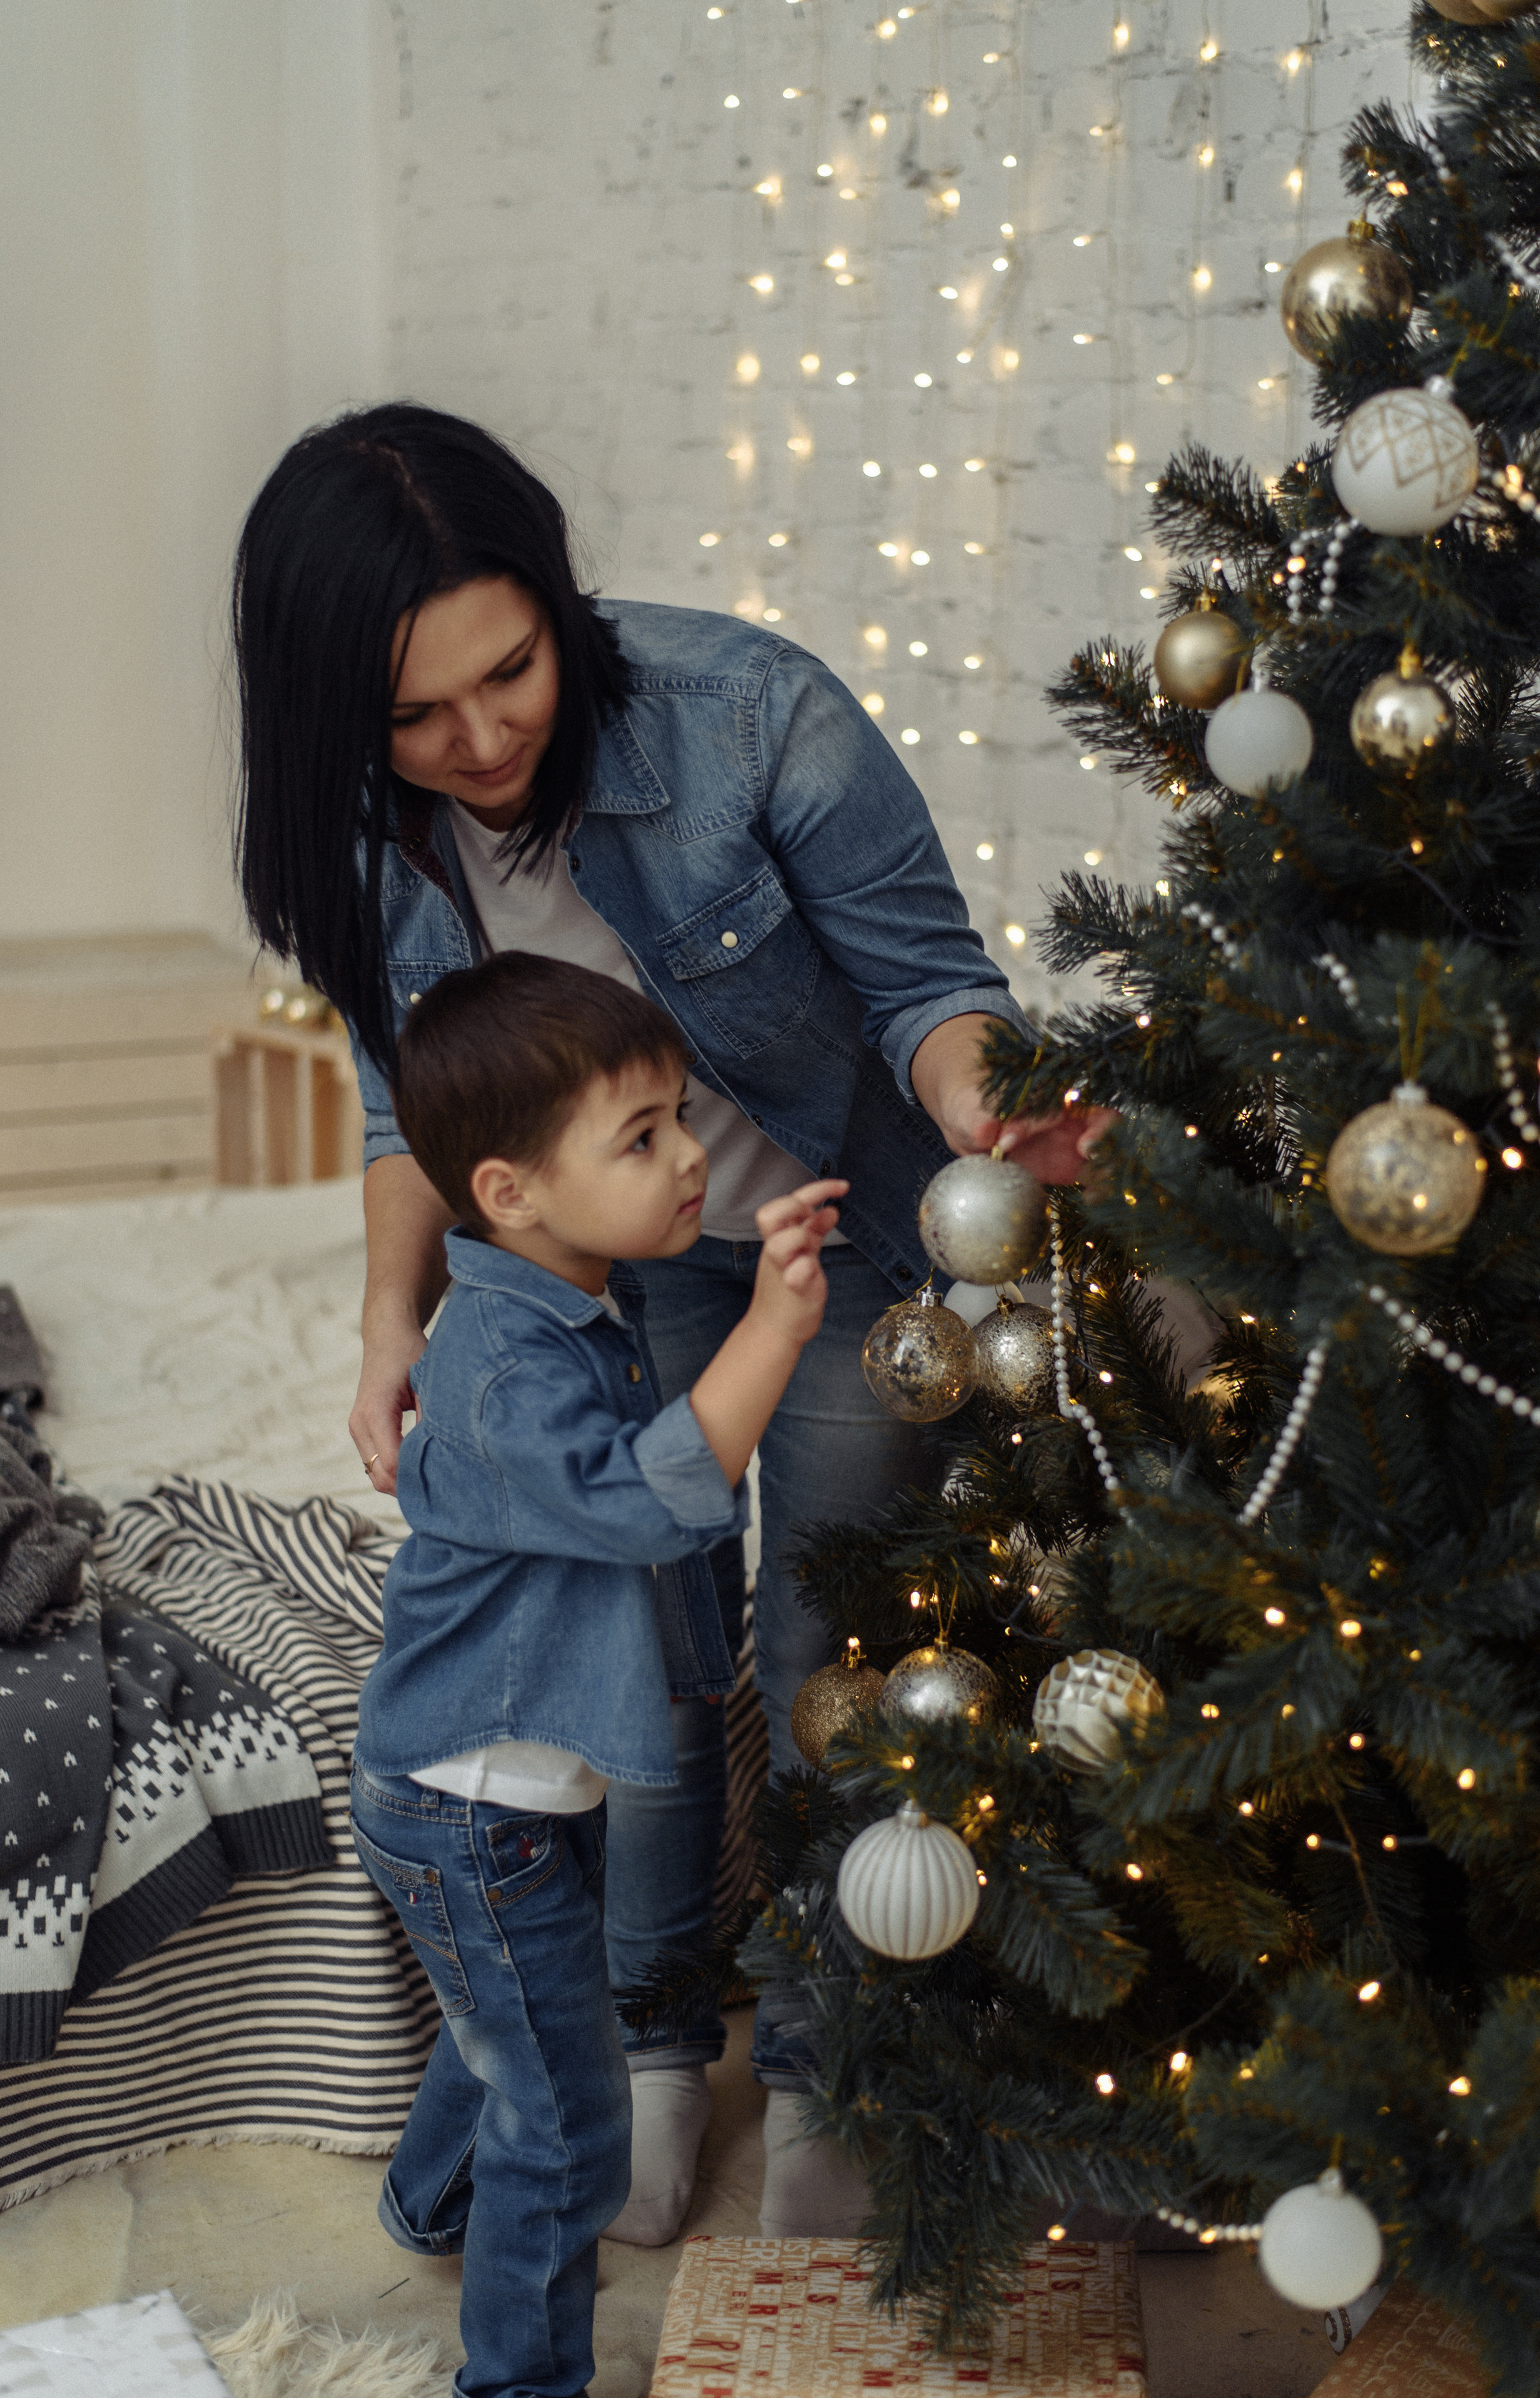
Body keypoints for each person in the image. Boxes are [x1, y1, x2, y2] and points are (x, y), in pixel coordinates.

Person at [232, 402, 1107, 2242]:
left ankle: (817, 2063)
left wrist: (981, 1110)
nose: (480, 741)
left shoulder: (750, 718)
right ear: (332, 712)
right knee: (626, 1666)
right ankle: (644, 2050)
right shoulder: (368, 837)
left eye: (513, 670)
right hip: (586, 1281)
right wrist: (390, 1315)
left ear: (558, 604)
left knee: (822, 1654)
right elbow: (418, 1107)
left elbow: (933, 987)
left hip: (832, 1227)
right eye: (415, 714)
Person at [350, 949, 843, 2398]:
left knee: (505, 2026)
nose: (690, 1157)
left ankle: (426, 2208)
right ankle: (518, 2383)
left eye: (679, 1115)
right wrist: (767, 1331)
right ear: (507, 1195)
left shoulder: (583, 1299)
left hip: (521, 1783)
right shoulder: (501, 1372)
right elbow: (647, 1507)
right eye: (640, 1138)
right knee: (568, 2121)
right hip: (466, 1806)